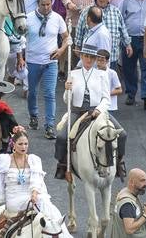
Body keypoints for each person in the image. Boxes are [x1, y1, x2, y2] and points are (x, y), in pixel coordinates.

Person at [54, 44, 126, 179]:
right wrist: (67, 89)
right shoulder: (73, 74)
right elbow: (67, 100)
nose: (88, 60)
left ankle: (119, 163)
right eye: (86, 56)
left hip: (97, 111)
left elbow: (106, 98)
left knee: (122, 134)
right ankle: (62, 165)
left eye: (92, 57)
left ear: (95, 59)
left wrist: (99, 109)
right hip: (78, 111)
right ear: (81, 56)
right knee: (62, 137)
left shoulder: (102, 75)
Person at [0, 125, 72, 234]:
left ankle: (60, 234)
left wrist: (35, 193)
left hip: (31, 196)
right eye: (20, 144)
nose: (23, 147)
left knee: (50, 207)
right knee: (44, 206)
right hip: (14, 199)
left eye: (26, 144)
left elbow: (36, 180)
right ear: (13, 144)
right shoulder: (4, 160)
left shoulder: (34, 160)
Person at [24, 0, 69, 137]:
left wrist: (61, 50)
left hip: (51, 62)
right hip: (32, 62)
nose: (46, 7)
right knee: (32, 92)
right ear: (38, 3)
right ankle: (34, 116)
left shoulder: (57, 18)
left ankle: (50, 125)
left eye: (48, 4)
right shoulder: (28, 18)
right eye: (43, 4)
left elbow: (67, 38)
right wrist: (20, 57)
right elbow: (19, 39)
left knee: (50, 94)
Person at [109, 168, 146, 238]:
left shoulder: (126, 192)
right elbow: (129, 229)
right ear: (132, 182)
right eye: (142, 181)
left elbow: (132, 216)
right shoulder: (127, 204)